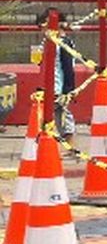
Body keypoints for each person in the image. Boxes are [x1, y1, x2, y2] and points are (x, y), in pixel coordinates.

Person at [36, 8, 76, 147]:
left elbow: (68, 67)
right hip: (48, 84)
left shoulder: (63, 43)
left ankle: (66, 144)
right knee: (56, 115)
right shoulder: (47, 41)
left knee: (61, 115)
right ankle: (53, 143)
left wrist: (68, 89)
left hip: (59, 85)